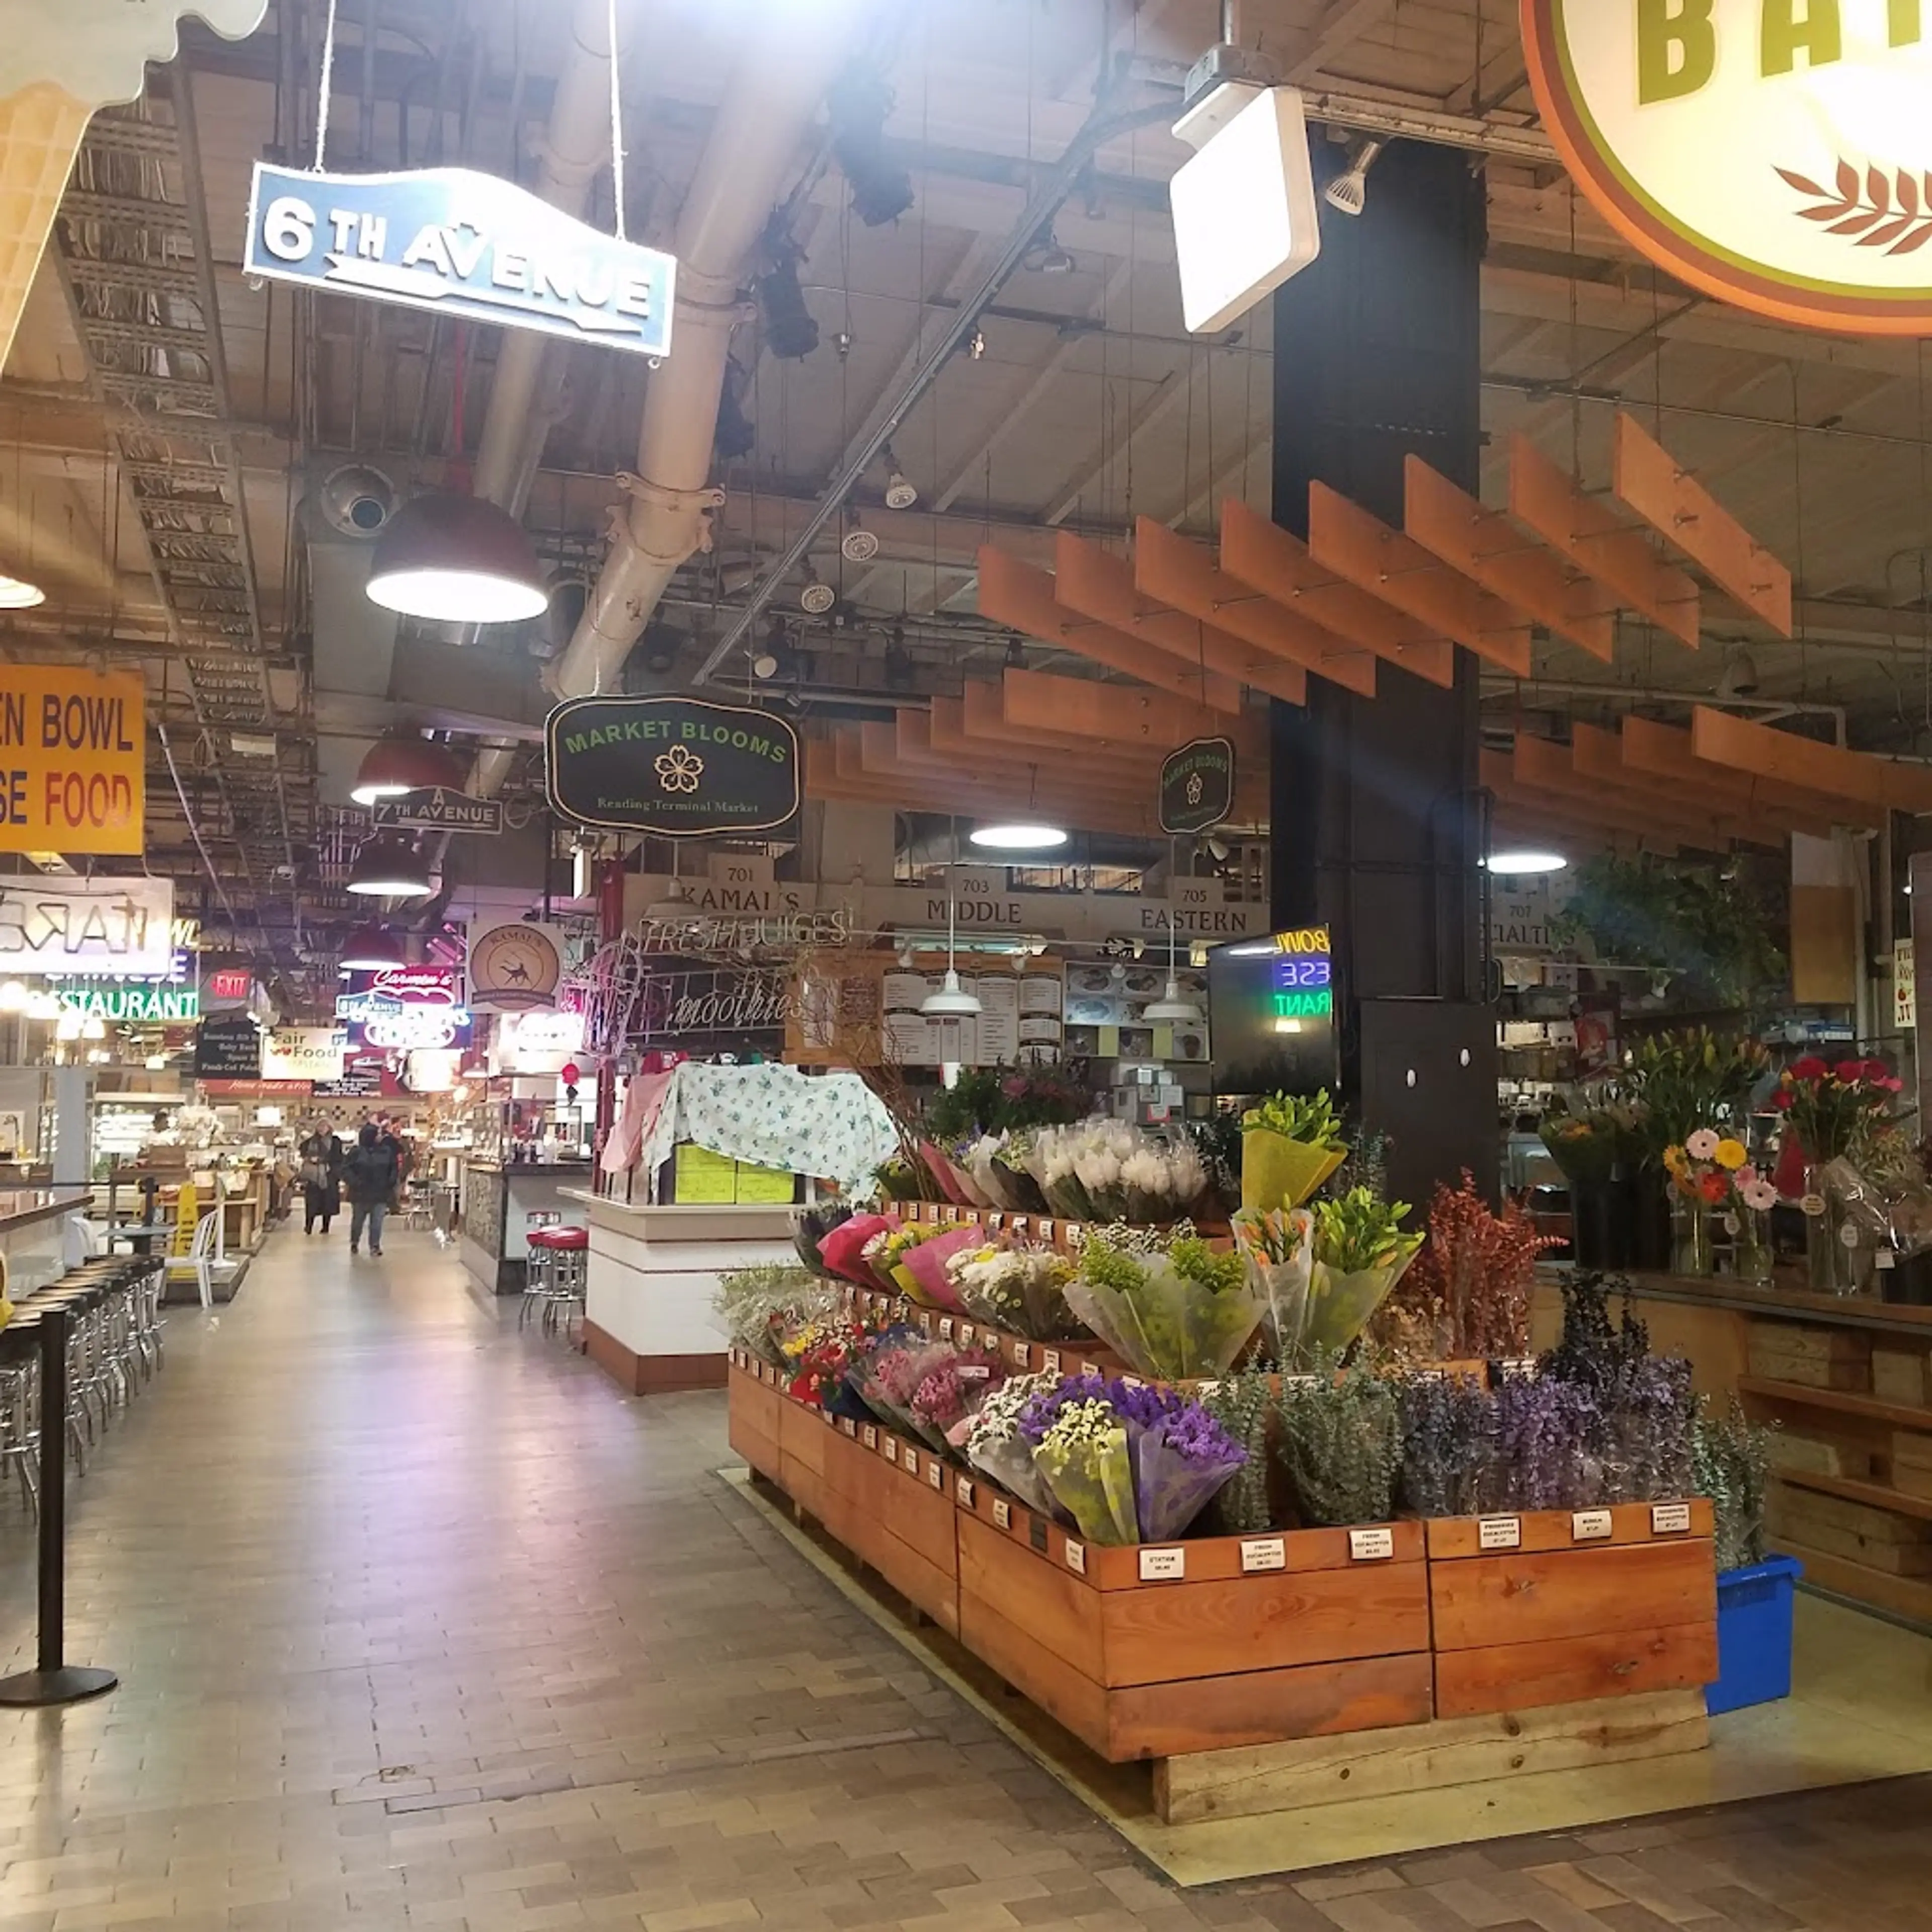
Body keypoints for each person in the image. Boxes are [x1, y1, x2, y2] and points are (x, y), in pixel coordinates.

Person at [342, 1121, 400, 1257]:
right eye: (378, 1134)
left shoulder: (386, 1151)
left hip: (380, 1192)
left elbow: (393, 1167)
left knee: (377, 1221)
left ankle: (375, 1246)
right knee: (358, 1221)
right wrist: (355, 1182)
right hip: (360, 1192)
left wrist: (391, 1181)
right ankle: (355, 1241)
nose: (380, 1137)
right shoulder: (356, 1152)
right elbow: (346, 1169)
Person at [298, 1121, 344, 1236]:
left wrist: (322, 1161)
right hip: (313, 1177)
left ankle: (325, 1227)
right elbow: (302, 1150)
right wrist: (309, 1158)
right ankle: (308, 1226)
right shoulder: (311, 1141)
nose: (322, 1129)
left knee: (327, 1202)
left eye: (325, 1126)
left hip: (329, 1175)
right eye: (320, 1126)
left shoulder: (335, 1141)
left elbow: (338, 1157)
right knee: (312, 1203)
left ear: (330, 1128)